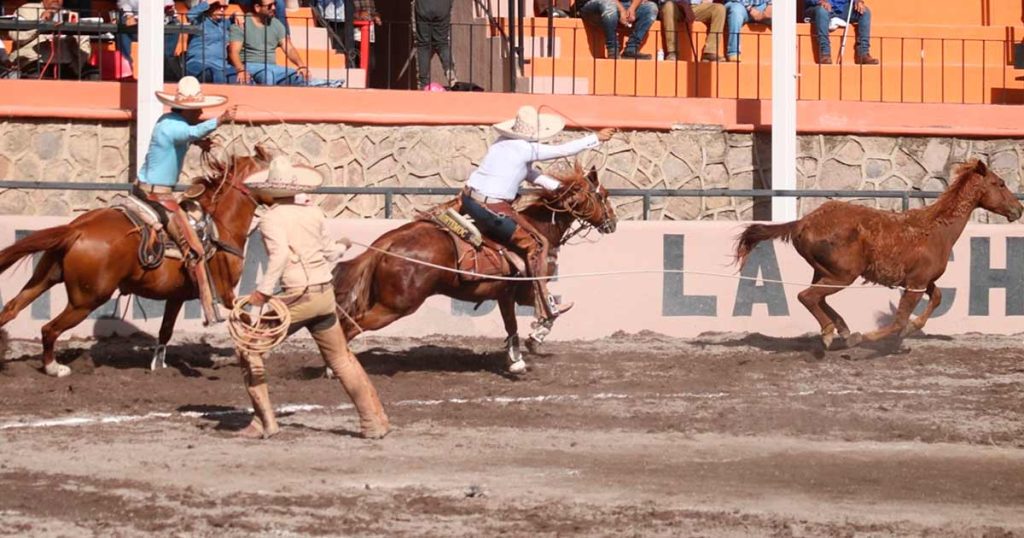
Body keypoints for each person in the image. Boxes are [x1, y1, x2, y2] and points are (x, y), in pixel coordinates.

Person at [240, 156, 390, 440]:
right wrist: (342, 245)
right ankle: (373, 421)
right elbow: (329, 251)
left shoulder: (271, 219)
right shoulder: (313, 213)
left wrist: (263, 292)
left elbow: (281, 256)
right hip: (323, 293)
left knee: (249, 349)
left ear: (269, 191)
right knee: (341, 359)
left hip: (298, 296)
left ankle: (263, 422)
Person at [461, 106, 615, 322]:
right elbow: (563, 150)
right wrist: (595, 138)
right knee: (538, 244)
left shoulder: (501, 143)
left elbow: (529, 173)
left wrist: (558, 188)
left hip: (469, 201)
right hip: (492, 207)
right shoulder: (525, 149)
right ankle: (544, 304)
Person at [136, 76, 237, 326]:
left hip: (151, 190)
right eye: (197, 110)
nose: (201, 112)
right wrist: (219, 121)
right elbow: (190, 132)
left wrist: (198, 140)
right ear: (187, 110)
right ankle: (207, 303)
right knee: (195, 247)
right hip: (158, 195)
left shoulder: (168, 122)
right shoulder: (174, 126)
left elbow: (187, 135)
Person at [229, 0, 309, 85]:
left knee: (301, 77)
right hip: (250, 65)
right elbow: (233, 51)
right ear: (257, 8)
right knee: (268, 75)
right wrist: (240, 69)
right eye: (269, 6)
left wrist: (301, 66)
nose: (274, 8)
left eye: (274, 4)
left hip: (273, 68)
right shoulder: (242, 23)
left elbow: (289, 48)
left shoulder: (276, 24)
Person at [9, 0, 94, 79]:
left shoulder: (68, 14)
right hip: (34, 62)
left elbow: (85, 52)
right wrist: (41, 22)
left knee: (93, 73)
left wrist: (74, 34)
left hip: (66, 65)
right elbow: (16, 36)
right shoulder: (27, 9)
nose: (56, 0)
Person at [577, 0, 658, 60]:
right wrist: (622, 10)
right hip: (593, 4)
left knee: (651, 8)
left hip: (623, 4)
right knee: (609, 5)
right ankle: (613, 50)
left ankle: (631, 49)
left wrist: (632, 8)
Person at [804, 0, 878, 64]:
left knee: (865, 12)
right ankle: (825, 53)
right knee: (821, 11)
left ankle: (863, 53)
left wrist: (858, 1)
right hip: (818, 7)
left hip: (840, 8)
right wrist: (820, 1)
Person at [116, 0, 180, 71]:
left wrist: (170, 10)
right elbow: (124, 5)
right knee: (122, 24)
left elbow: (169, 5)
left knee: (175, 24)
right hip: (136, 25)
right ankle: (125, 66)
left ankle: (166, 64)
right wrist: (128, 16)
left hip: (160, 24)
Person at [184, 0, 237, 83]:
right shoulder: (199, 21)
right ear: (210, 6)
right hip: (199, 63)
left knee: (242, 78)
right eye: (218, 6)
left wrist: (236, 15)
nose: (222, 10)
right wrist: (209, 2)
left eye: (224, 7)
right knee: (217, 76)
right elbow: (190, 15)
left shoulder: (223, 23)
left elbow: (233, 19)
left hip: (222, 65)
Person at [659, 0, 724, 61]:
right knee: (669, 6)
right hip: (674, 6)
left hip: (695, 6)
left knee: (719, 9)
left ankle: (710, 51)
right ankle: (673, 52)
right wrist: (683, 4)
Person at [414, 0, 455, 89]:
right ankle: (450, 73)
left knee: (423, 45)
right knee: (442, 43)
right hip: (442, 7)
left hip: (423, 7)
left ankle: (423, 83)